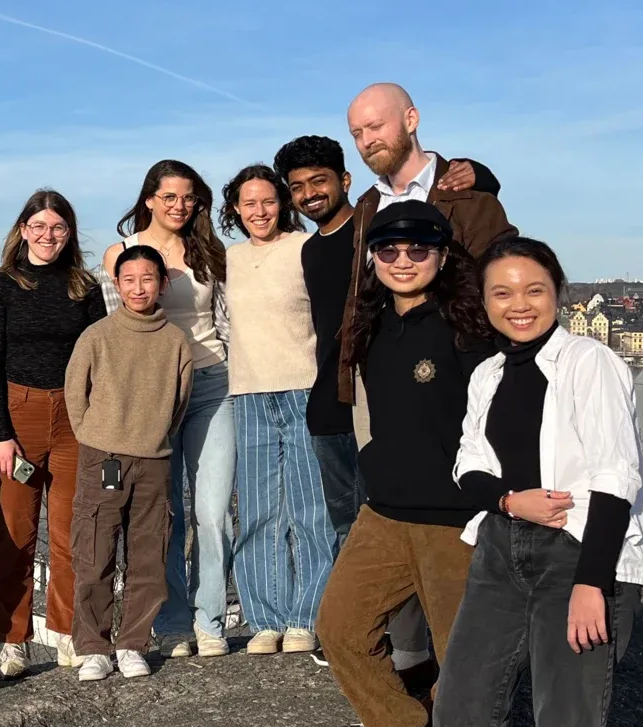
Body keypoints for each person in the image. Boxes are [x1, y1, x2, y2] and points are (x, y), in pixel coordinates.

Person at [436, 237, 643, 727]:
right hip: (502, 549)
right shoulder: (489, 372)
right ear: (484, 302)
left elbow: (616, 476)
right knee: (461, 713)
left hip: (580, 553)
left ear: (558, 291)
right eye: (502, 293)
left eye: (534, 290)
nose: (519, 305)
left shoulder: (590, 363)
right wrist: (509, 499)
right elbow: (468, 464)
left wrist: (591, 582)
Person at [275, 135, 502, 675]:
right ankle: (384, 646)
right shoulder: (309, 249)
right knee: (355, 531)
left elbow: (430, 193)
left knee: (412, 538)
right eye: (298, 187)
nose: (309, 194)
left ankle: (413, 655)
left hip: (389, 409)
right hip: (337, 401)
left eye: (319, 181)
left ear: (345, 181)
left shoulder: (375, 222)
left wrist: (483, 175)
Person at [313, 201, 494, 727]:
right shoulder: (370, 324)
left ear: (442, 254)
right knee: (340, 627)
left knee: (463, 652)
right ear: (372, 258)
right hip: (384, 510)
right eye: (388, 250)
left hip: (453, 518)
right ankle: (399, 723)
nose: (403, 260)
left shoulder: (469, 325)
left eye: (419, 249)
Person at [101, 160, 233, 659]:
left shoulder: (207, 252)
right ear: (150, 198)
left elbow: (223, 320)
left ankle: (211, 620)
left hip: (212, 383)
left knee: (212, 511)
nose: (180, 206)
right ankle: (173, 621)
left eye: (189, 197)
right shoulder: (122, 254)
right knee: (164, 514)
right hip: (154, 393)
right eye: (170, 196)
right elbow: (121, 333)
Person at [0, 189, 106, 677]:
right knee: (13, 532)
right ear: (23, 230)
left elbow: (100, 358)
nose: (47, 236)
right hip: (20, 411)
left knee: (72, 533)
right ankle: (12, 639)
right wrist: (0, 431)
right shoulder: (2, 287)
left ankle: (68, 634)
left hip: (75, 417)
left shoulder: (84, 287)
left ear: (69, 233)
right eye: (39, 227)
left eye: (57, 228)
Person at [336, 82, 517, 407]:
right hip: (385, 382)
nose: (367, 141)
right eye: (357, 133)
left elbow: (504, 290)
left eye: (376, 126)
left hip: (462, 385)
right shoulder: (367, 206)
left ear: (411, 119)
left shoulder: (471, 198)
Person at [219, 164, 338, 656]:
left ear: (282, 203)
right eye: (249, 204)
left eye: (268, 201)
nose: (259, 211)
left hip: (305, 386)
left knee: (311, 509)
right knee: (259, 511)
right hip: (248, 390)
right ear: (236, 210)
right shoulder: (229, 258)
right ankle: (265, 617)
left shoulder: (305, 247)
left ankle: (306, 616)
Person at [65, 244, 193, 681]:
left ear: (162, 283)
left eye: (148, 279)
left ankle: (133, 643)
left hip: (154, 458)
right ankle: (93, 646)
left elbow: (180, 400)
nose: (139, 288)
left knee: (148, 556)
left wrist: (154, 435)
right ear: (116, 285)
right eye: (129, 280)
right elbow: (74, 393)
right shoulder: (97, 335)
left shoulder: (175, 341)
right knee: (94, 551)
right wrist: (91, 435)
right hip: (103, 456)